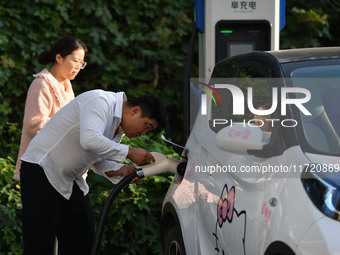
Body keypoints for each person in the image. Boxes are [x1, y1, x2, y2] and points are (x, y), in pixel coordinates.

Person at [19, 89, 167, 255]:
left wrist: (122, 170)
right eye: (146, 127)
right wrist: (130, 152)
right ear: (135, 111)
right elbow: (90, 141)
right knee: (39, 246)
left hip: (69, 180)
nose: (143, 133)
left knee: (82, 241)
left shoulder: (118, 127)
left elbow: (98, 161)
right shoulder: (101, 101)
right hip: (42, 169)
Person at [14, 35, 88, 181]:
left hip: (61, 167)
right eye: (75, 61)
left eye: (82, 63)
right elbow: (34, 124)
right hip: (40, 166)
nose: (78, 66)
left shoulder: (67, 85)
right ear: (59, 58)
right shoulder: (42, 84)